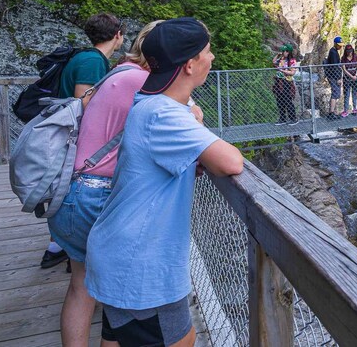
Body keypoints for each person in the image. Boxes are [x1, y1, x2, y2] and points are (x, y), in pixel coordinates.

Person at [85, 17, 244, 347]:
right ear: (189, 65)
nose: (212, 58)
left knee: (115, 340)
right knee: (182, 341)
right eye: (207, 52)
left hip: (121, 252)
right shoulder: (165, 115)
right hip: (141, 266)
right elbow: (232, 161)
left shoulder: (149, 102)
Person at [47, 21, 162, 347]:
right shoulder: (142, 81)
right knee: (117, 294)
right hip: (97, 198)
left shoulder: (117, 72)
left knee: (80, 287)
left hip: (71, 191)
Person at [42, 12, 126, 270]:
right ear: (117, 35)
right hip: (74, 137)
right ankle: (66, 250)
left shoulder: (86, 57)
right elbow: (85, 101)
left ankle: (60, 246)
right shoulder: (93, 61)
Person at [272, 44, 298, 125]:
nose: (283, 52)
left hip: (287, 82)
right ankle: (282, 118)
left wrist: (283, 71)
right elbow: (273, 63)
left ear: (289, 52)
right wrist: (278, 55)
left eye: (285, 51)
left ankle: (293, 118)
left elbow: (292, 72)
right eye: (283, 51)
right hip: (279, 82)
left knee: (287, 101)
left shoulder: (292, 61)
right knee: (279, 101)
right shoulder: (281, 59)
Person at [325, 36, 343, 120]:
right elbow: (335, 67)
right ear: (335, 44)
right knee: (335, 93)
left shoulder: (334, 51)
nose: (340, 46)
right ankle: (331, 113)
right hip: (334, 77)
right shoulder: (333, 52)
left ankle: (333, 112)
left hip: (333, 76)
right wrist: (338, 78)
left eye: (341, 45)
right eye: (339, 45)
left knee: (336, 93)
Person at [341, 44, 357, 117]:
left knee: (354, 94)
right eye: (348, 51)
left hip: (354, 78)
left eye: (350, 51)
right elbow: (344, 69)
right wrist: (352, 76)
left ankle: (354, 109)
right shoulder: (343, 58)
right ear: (346, 51)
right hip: (347, 79)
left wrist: (356, 75)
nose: (349, 53)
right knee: (347, 95)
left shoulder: (355, 56)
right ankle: (346, 111)